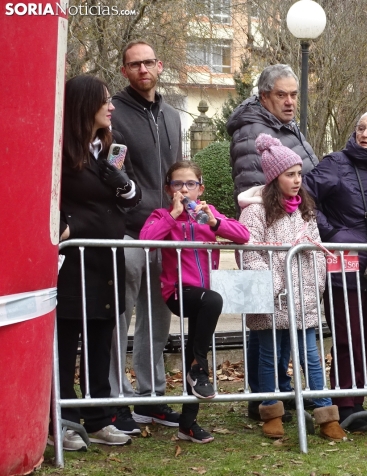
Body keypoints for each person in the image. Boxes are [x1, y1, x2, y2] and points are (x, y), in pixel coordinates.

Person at [52, 75, 142, 449]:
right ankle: (63, 421)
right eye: (104, 100)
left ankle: (100, 418)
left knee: (101, 339)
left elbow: (130, 200)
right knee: (66, 340)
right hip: (73, 265)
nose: (112, 106)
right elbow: (50, 201)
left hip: (106, 262)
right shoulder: (59, 151)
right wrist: (68, 227)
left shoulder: (107, 147)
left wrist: (122, 183)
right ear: (83, 104)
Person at [238, 134, 346, 442]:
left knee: (312, 357)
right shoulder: (255, 211)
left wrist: (318, 283)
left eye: (299, 173)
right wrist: (272, 284)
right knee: (271, 358)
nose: (297, 180)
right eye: (290, 174)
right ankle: (271, 411)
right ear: (275, 178)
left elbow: (316, 250)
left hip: (304, 298)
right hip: (274, 300)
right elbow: (250, 251)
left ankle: (326, 415)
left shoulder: (304, 210)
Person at [227, 64, 319, 421]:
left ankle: (276, 396)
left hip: (295, 229)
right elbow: (260, 191)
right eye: (282, 94)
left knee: (280, 332)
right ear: (264, 96)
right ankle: (268, 400)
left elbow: (306, 175)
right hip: (272, 238)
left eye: (294, 94)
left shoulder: (285, 127)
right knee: (269, 331)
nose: (290, 101)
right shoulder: (254, 131)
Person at [303, 111, 367, 432]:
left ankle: (357, 402)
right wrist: (332, 232)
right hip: (341, 259)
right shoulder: (334, 163)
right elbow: (304, 197)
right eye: (360, 128)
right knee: (347, 335)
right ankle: (344, 404)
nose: (365, 134)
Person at [139, 161, 250, 443]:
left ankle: (187, 424)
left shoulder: (208, 213)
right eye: (178, 184)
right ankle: (197, 371)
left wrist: (215, 222)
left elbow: (243, 235)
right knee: (213, 302)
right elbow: (145, 241)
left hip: (203, 296)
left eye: (190, 184)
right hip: (178, 293)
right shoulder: (162, 214)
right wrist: (173, 216)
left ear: (200, 188)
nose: (184, 189)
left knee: (194, 351)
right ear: (169, 189)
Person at [108, 40, 183, 430]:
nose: (142, 70)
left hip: (166, 234)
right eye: (134, 64)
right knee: (120, 316)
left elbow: (177, 174)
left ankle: (151, 397)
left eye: (148, 63)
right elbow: (110, 168)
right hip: (128, 232)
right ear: (124, 71)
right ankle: (115, 398)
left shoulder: (172, 116)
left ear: (160, 65)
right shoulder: (114, 112)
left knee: (157, 319)